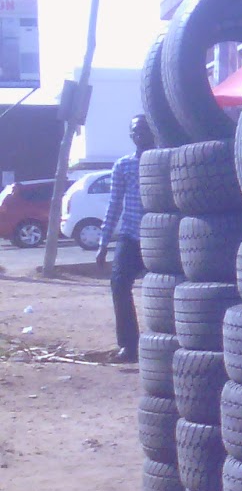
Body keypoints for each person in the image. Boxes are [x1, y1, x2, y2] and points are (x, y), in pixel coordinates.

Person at [99, 115, 154, 363]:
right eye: (135, 131)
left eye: (144, 129)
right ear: (131, 136)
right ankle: (129, 346)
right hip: (130, 235)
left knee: (171, 288)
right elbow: (114, 204)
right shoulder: (122, 165)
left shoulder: (164, 160)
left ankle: (172, 342)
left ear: (152, 132)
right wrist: (103, 244)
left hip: (159, 237)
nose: (140, 134)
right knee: (119, 284)